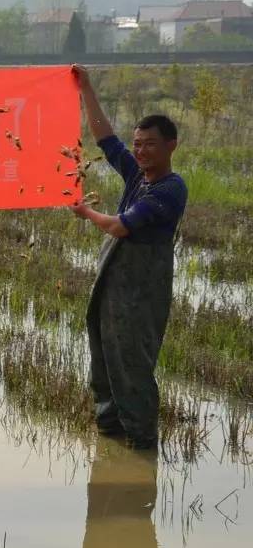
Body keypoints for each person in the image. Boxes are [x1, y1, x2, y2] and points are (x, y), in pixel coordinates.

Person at [70, 65, 186, 450]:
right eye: (137, 144)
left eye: (149, 144)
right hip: (112, 284)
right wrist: (86, 87)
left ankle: (141, 447)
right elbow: (105, 137)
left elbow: (121, 226)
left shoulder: (170, 189)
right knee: (103, 360)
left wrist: (86, 212)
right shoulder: (138, 175)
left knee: (132, 365)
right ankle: (111, 438)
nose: (139, 151)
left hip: (141, 290)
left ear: (171, 145)